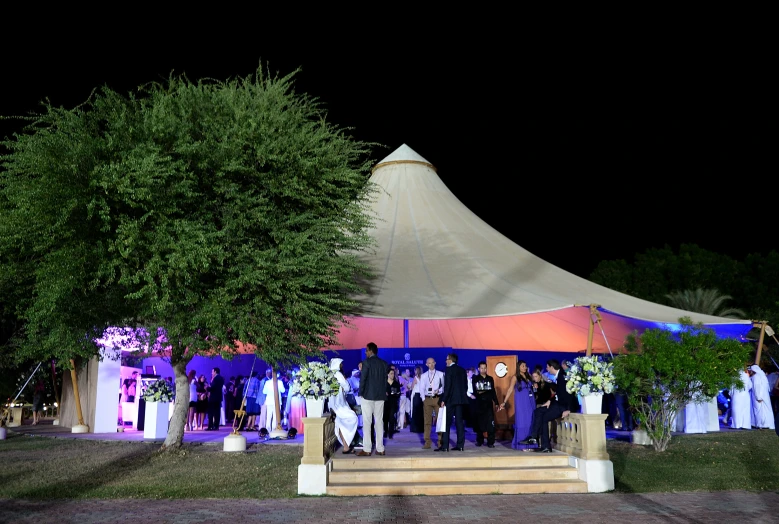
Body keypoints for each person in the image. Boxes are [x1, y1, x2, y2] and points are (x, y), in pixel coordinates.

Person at [521, 359, 573, 452]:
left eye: (547, 367)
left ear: (552, 367)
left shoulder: (563, 376)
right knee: (538, 412)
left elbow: (570, 394)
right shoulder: (559, 376)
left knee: (542, 416)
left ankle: (536, 439)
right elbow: (558, 393)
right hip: (556, 403)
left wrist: (569, 409)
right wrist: (550, 400)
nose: (546, 369)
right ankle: (542, 444)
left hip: (561, 406)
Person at [356, 342, 389, 456]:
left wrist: (360, 393)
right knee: (379, 422)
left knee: (367, 422)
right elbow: (385, 381)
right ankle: (380, 448)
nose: (365, 352)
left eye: (366, 350)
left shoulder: (366, 363)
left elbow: (363, 379)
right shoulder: (384, 364)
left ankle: (367, 449)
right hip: (380, 396)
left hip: (368, 396)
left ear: (370, 351)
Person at [501, 360, 535, 449]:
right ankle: (521, 443)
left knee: (531, 420)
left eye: (525, 366)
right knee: (522, 420)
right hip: (521, 401)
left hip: (530, 400)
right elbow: (510, 389)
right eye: (523, 366)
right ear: (518, 367)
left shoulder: (529, 376)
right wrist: (504, 402)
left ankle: (530, 442)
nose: (525, 367)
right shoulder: (515, 377)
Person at [437, 353, 468, 452]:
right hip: (460, 400)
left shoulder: (449, 370)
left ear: (450, 360)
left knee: (446, 423)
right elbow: (465, 386)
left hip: (450, 400)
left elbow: (448, 387)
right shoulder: (462, 370)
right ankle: (460, 445)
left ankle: (445, 446)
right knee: (459, 423)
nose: (445, 361)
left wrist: (443, 400)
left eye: (446, 359)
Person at [328, 358, 359, 453]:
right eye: (341, 364)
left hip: (334, 403)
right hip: (339, 403)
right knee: (352, 417)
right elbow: (347, 387)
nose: (342, 366)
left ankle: (346, 446)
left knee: (340, 423)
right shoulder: (337, 374)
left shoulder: (330, 374)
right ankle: (347, 444)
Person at [472, 361, 499, 448]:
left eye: (485, 368)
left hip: (488, 404)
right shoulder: (475, 378)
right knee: (479, 423)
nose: (483, 370)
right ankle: (479, 441)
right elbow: (476, 391)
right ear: (478, 369)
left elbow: (492, 391)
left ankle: (491, 442)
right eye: (481, 368)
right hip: (479, 403)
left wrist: (496, 402)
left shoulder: (490, 379)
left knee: (490, 423)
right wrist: (484, 391)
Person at [422, 357, 445, 449]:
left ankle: (440, 441)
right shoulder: (424, 375)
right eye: (429, 363)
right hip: (427, 399)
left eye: (432, 363)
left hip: (437, 399)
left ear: (435, 363)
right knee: (427, 421)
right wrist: (423, 399)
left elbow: (444, 386)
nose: (431, 365)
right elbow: (421, 388)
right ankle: (427, 442)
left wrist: (438, 390)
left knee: (439, 421)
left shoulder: (440, 374)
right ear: (426, 364)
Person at [750, 365, 776, 430]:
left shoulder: (756, 377)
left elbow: (757, 387)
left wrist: (758, 397)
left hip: (759, 397)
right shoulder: (762, 376)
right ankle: (767, 424)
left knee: (759, 411)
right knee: (767, 410)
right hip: (765, 396)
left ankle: (761, 424)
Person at [384, 368, 401, 438]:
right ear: (387, 374)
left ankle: (390, 433)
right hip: (385, 403)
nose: (392, 375)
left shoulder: (396, 383)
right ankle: (385, 431)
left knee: (391, 418)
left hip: (393, 403)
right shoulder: (384, 383)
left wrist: (392, 393)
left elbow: (398, 393)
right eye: (391, 373)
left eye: (393, 373)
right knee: (385, 418)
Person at [409, 366, 424, 433]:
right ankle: (421, 428)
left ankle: (415, 428)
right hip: (421, 396)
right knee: (421, 412)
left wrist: (410, 386)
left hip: (416, 396)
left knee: (415, 412)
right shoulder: (423, 377)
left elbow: (412, 387)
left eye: (415, 370)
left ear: (417, 371)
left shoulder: (415, 378)